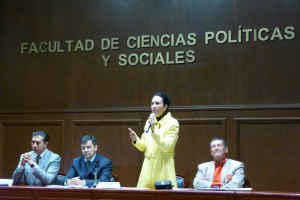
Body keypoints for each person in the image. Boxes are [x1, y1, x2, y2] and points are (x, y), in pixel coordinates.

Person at [128, 92, 179, 189]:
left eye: (157, 103)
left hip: (163, 168)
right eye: (152, 103)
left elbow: (167, 146)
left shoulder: (173, 123)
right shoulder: (150, 121)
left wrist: (154, 129)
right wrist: (136, 140)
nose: (154, 106)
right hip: (147, 168)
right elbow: (144, 147)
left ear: (165, 106)